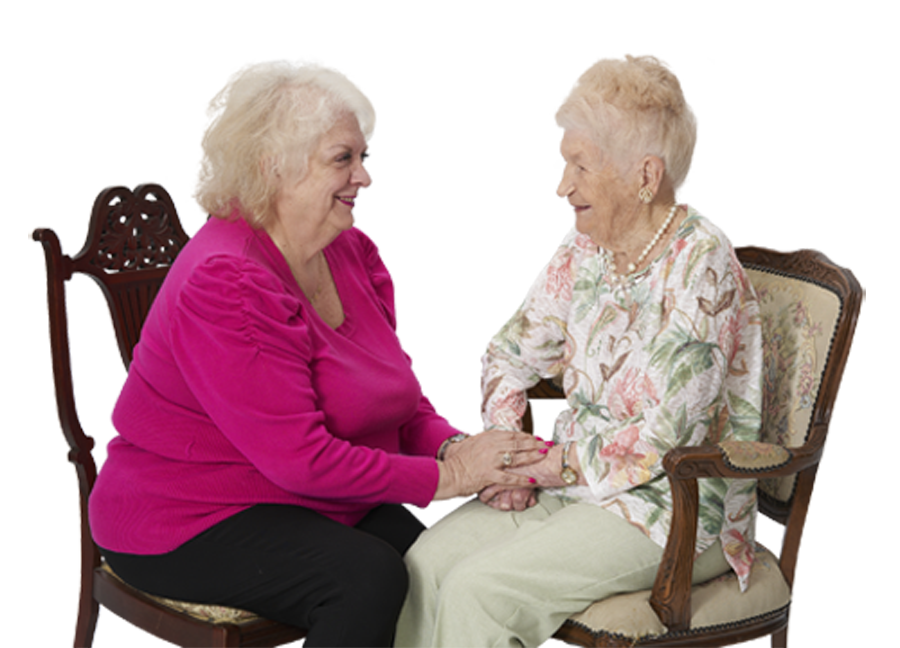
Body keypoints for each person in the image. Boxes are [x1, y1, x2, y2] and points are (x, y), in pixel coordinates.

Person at [87, 63, 545, 648]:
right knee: (366, 577)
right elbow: (300, 461)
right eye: (342, 159)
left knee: (445, 557)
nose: (362, 178)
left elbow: (398, 405)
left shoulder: (348, 250)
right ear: (274, 165)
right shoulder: (227, 280)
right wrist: (452, 477)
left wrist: (463, 449)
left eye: (363, 157)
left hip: (294, 497)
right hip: (184, 514)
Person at [395, 52, 763, 648]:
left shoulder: (703, 264)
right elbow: (510, 353)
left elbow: (666, 434)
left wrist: (547, 465)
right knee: (421, 563)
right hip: (574, 484)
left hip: (672, 506)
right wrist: (510, 453)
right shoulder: (583, 253)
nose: (563, 187)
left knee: (481, 592)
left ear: (646, 176)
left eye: (581, 167)